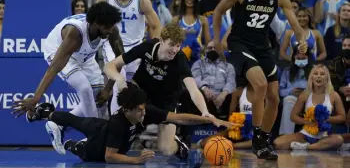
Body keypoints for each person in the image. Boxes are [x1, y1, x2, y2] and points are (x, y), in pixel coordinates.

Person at [212, 0, 307, 160]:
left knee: (274, 97)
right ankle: (256, 138)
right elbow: (218, 11)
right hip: (239, 44)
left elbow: (295, 24)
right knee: (261, 86)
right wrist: (217, 40)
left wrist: (301, 40)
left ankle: (264, 138)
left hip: (263, 47)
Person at [12, 2, 124, 152]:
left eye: (112, 26)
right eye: (106, 27)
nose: (110, 30)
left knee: (99, 100)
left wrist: (108, 88)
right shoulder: (74, 34)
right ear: (96, 24)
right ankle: (93, 135)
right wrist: (36, 98)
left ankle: (58, 124)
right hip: (58, 51)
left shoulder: (111, 29)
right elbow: (54, 68)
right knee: (84, 88)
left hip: (85, 57)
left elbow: (121, 58)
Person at [25, 83, 233, 164]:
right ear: (127, 110)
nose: (143, 114)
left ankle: (45, 113)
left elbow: (179, 117)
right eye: (139, 111)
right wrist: (136, 161)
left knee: (77, 120)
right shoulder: (119, 124)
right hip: (99, 147)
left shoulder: (145, 111)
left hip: (100, 127)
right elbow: (109, 156)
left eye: (144, 108)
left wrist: (209, 119)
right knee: (79, 149)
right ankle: (54, 125)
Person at [104, 23, 214, 160]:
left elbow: (193, 90)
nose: (174, 49)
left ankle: (180, 146)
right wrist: (119, 79)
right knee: (121, 99)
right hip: (141, 96)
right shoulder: (147, 47)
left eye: (178, 45)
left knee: (166, 149)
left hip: (166, 102)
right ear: (161, 40)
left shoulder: (180, 60)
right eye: (171, 44)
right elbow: (109, 66)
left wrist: (204, 111)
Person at [96, 0, 162, 114]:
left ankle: (133, 123)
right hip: (111, 45)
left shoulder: (142, 0)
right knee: (120, 78)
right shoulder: (104, 0)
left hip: (136, 47)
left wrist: (153, 47)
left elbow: (156, 26)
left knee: (134, 89)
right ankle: (115, 123)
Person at [273, 65, 345, 151]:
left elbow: (342, 117)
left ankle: (307, 147)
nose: (318, 76)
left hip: (325, 136)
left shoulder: (334, 95)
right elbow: (293, 116)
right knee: (277, 143)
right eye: (315, 74)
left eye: (322, 74)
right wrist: (307, 122)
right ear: (311, 77)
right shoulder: (305, 94)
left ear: (327, 78)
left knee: (338, 140)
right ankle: (316, 146)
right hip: (305, 134)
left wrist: (327, 119)